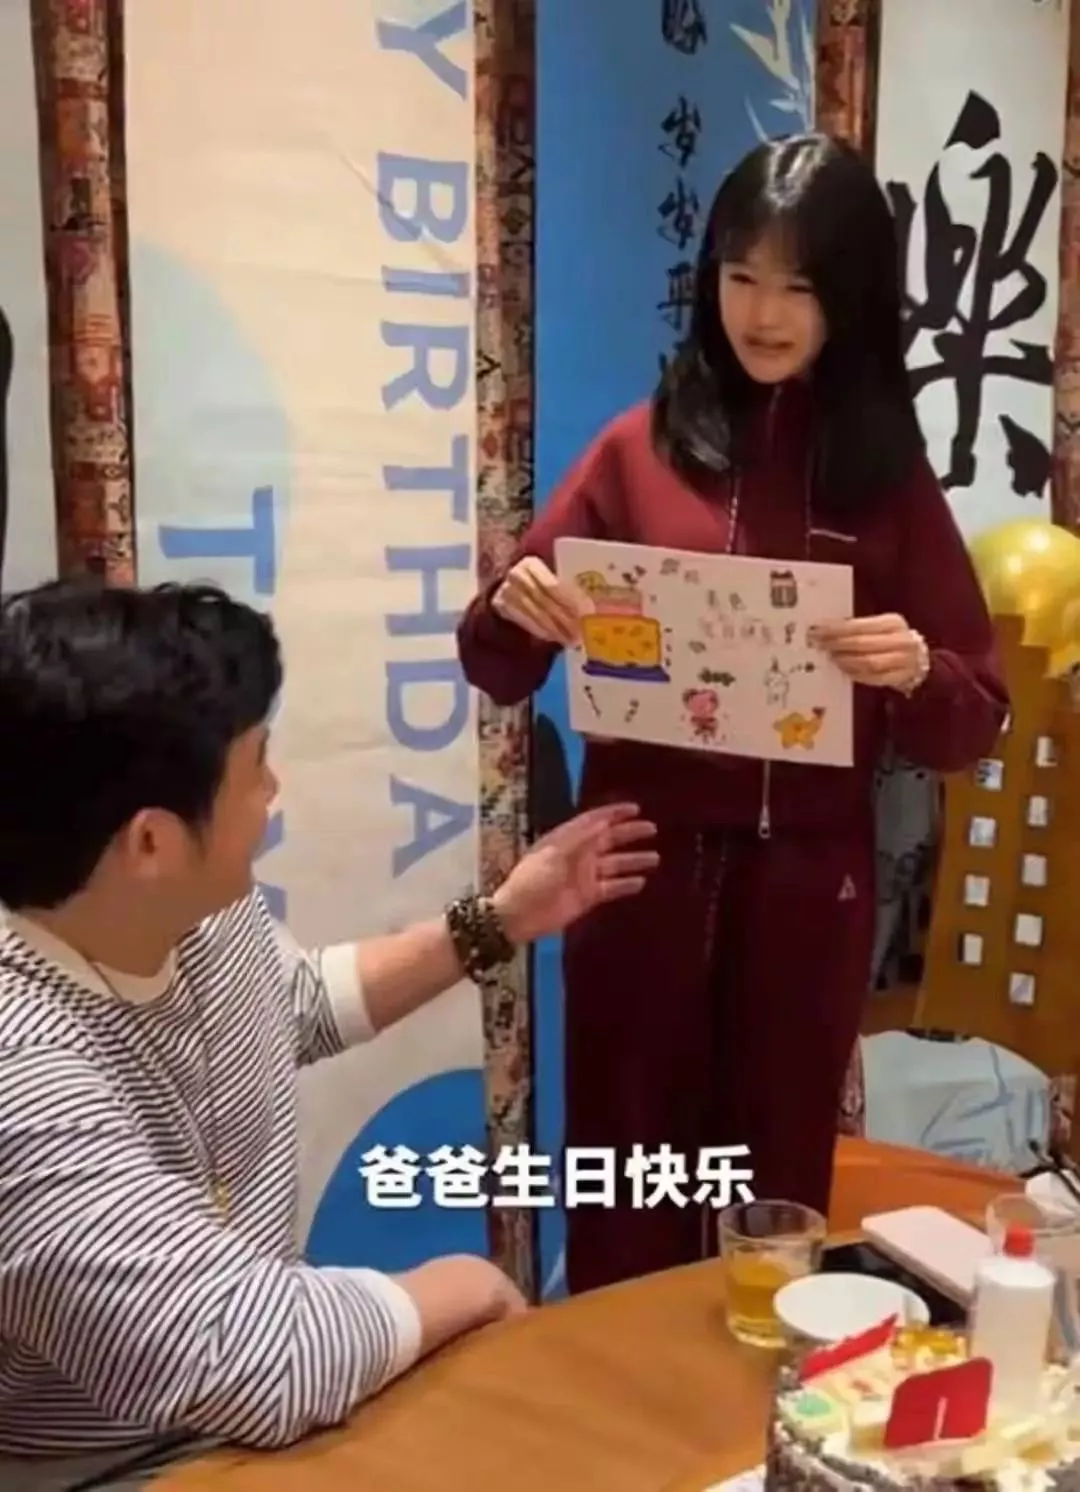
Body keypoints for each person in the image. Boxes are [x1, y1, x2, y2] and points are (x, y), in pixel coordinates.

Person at [457, 133, 1009, 1295]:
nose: (763, 313)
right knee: (629, 1169)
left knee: (775, 1183)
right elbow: (497, 662)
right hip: (641, 868)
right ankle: (620, 1392)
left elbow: (973, 721)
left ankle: (758, 1394)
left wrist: (918, 669)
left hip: (811, 883)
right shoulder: (636, 451)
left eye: (799, 285)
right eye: (741, 275)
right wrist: (517, 605)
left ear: (850, 298)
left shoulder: (885, 478)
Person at [0, 577, 658, 1470]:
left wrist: (500, 919)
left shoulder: (191, 915)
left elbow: (292, 1006)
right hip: (124, 1465)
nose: (274, 790)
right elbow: (248, 1359)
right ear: (150, 842)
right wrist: (462, 1285)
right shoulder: (24, 1074)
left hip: (267, 1410)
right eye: (256, 766)